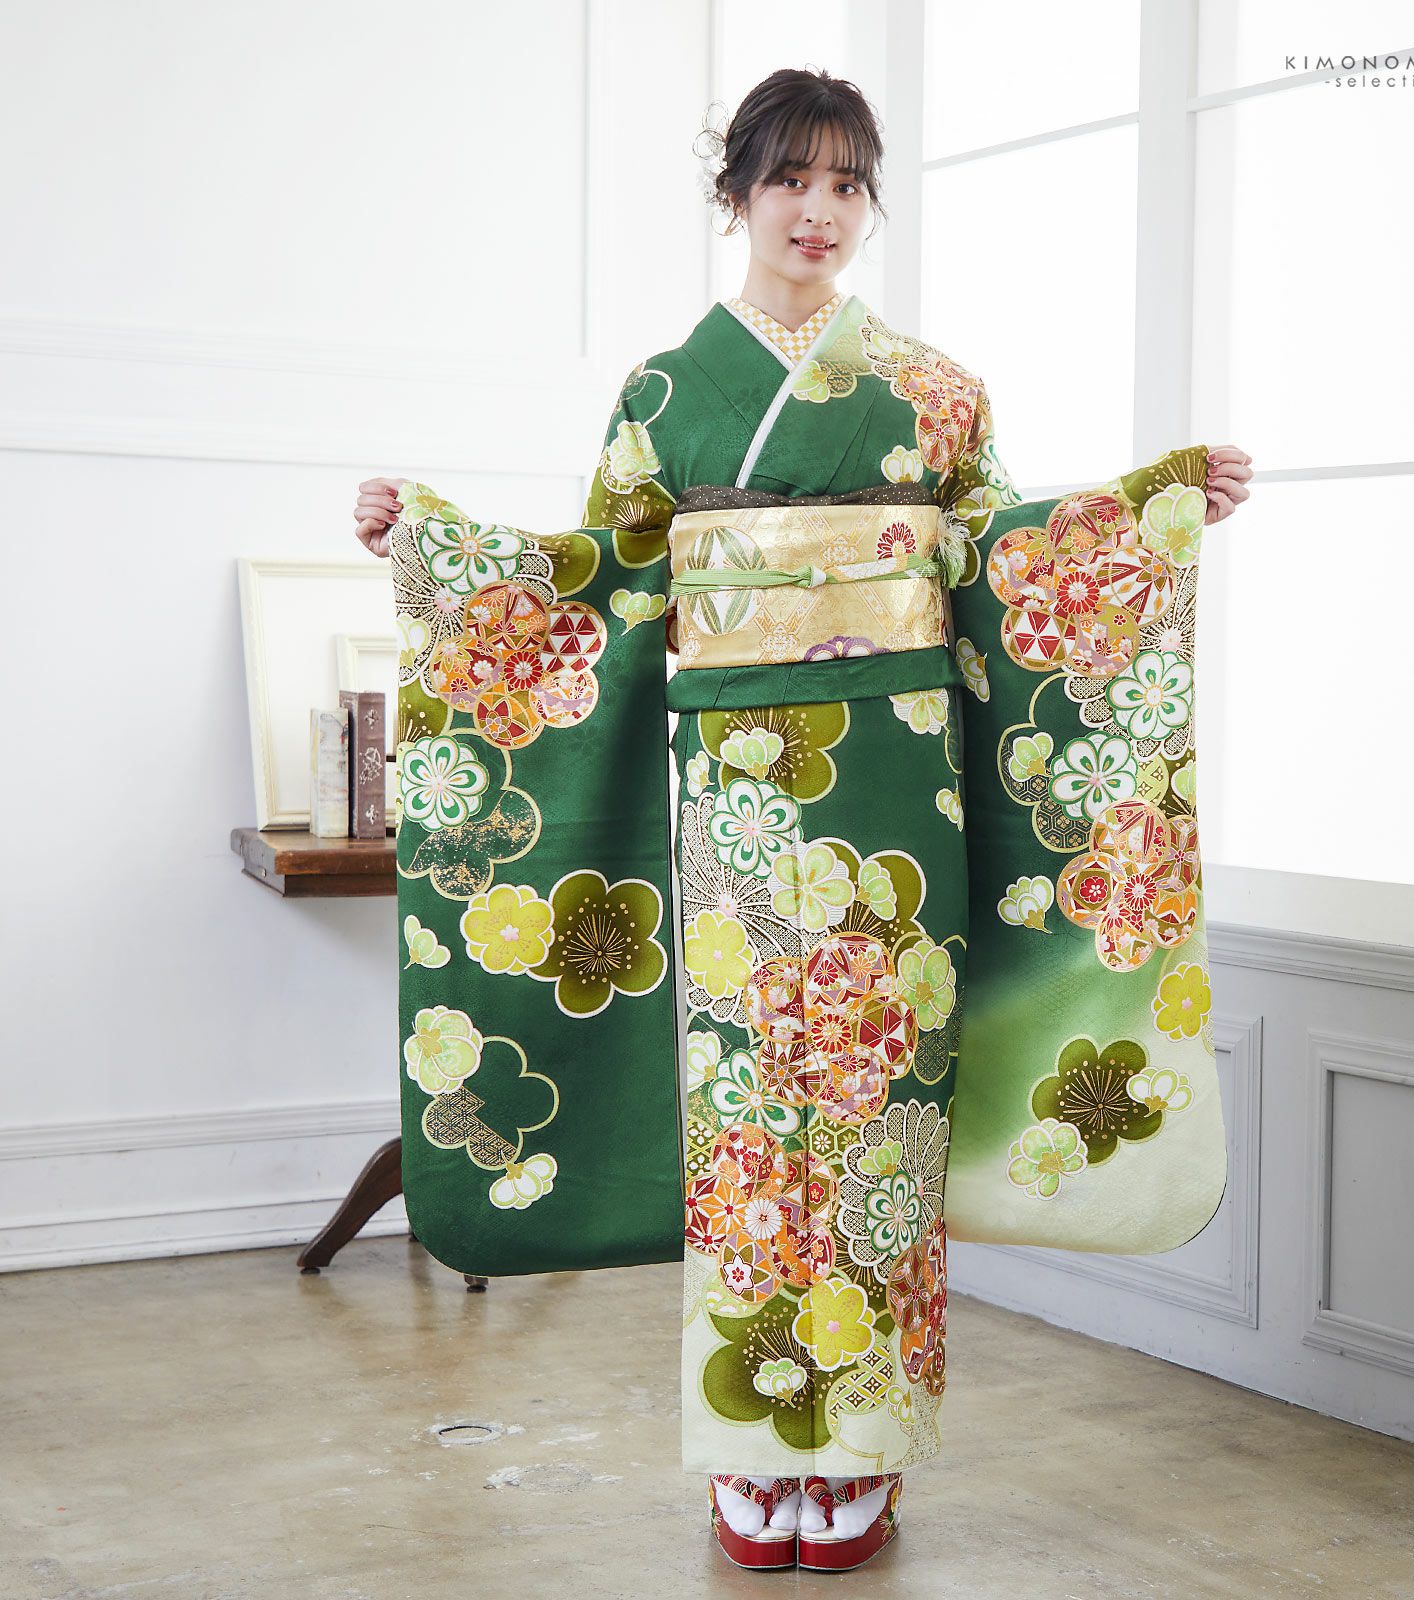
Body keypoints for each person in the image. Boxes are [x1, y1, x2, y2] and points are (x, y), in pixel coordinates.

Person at [355, 66, 1252, 1573]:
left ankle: (867, 1448)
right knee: (754, 1119)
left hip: (902, 789)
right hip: (737, 806)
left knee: (882, 1111)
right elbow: (598, 590)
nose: (819, 211)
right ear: (737, 197)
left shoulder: (938, 392)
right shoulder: (663, 394)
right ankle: (755, 1442)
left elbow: (1003, 564)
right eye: (790, 179)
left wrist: (1150, 512)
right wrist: (435, 545)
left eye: (846, 184)